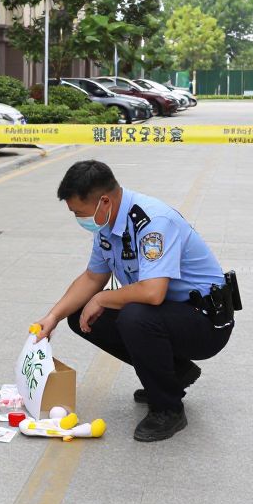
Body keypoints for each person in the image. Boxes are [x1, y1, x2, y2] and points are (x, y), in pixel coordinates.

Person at [33, 160, 237, 442]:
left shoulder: (152, 222)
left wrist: (104, 297)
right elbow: (93, 277)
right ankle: (174, 373)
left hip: (205, 321)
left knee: (134, 316)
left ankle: (168, 409)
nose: (78, 219)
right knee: (81, 314)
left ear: (104, 201)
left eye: (79, 212)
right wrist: (51, 317)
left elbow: (153, 292)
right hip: (170, 314)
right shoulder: (106, 223)